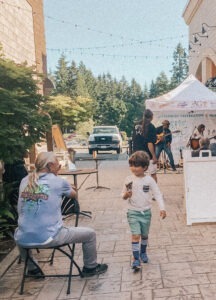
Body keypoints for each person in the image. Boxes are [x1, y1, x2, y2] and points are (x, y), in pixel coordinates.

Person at [14, 151, 108, 278]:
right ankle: (90, 267)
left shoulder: (25, 181)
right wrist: (67, 185)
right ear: (50, 165)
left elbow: (20, 209)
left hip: (23, 239)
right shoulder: (58, 182)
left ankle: (33, 269)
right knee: (90, 234)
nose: (59, 168)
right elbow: (74, 195)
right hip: (51, 237)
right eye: (58, 165)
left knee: (21, 232)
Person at [121, 151, 166, 269]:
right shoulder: (128, 179)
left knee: (144, 235)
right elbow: (122, 196)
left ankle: (143, 252)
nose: (133, 168)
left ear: (145, 167)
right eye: (131, 165)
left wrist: (162, 208)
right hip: (133, 212)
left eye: (136, 166)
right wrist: (126, 195)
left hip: (146, 212)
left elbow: (157, 193)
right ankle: (136, 259)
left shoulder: (149, 180)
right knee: (136, 235)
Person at [132, 109, 158, 182]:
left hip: (136, 154)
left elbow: (134, 140)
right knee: (153, 175)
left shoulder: (136, 125)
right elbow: (149, 143)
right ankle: (154, 192)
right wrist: (154, 156)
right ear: (151, 117)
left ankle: (139, 191)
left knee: (138, 175)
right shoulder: (151, 127)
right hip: (147, 155)